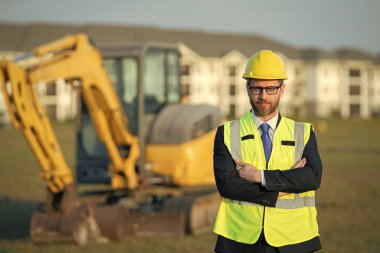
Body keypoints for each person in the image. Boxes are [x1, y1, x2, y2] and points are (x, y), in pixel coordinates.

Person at [213, 50, 322, 253]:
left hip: (294, 240)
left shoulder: (303, 132)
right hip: (239, 240)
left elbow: (312, 178)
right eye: (257, 89)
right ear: (247, 88)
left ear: (283, 89)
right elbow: (228, 186)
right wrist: (282, 189)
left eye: (271, 88)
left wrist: (259, 176)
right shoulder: (227, 133)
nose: (263, 96)